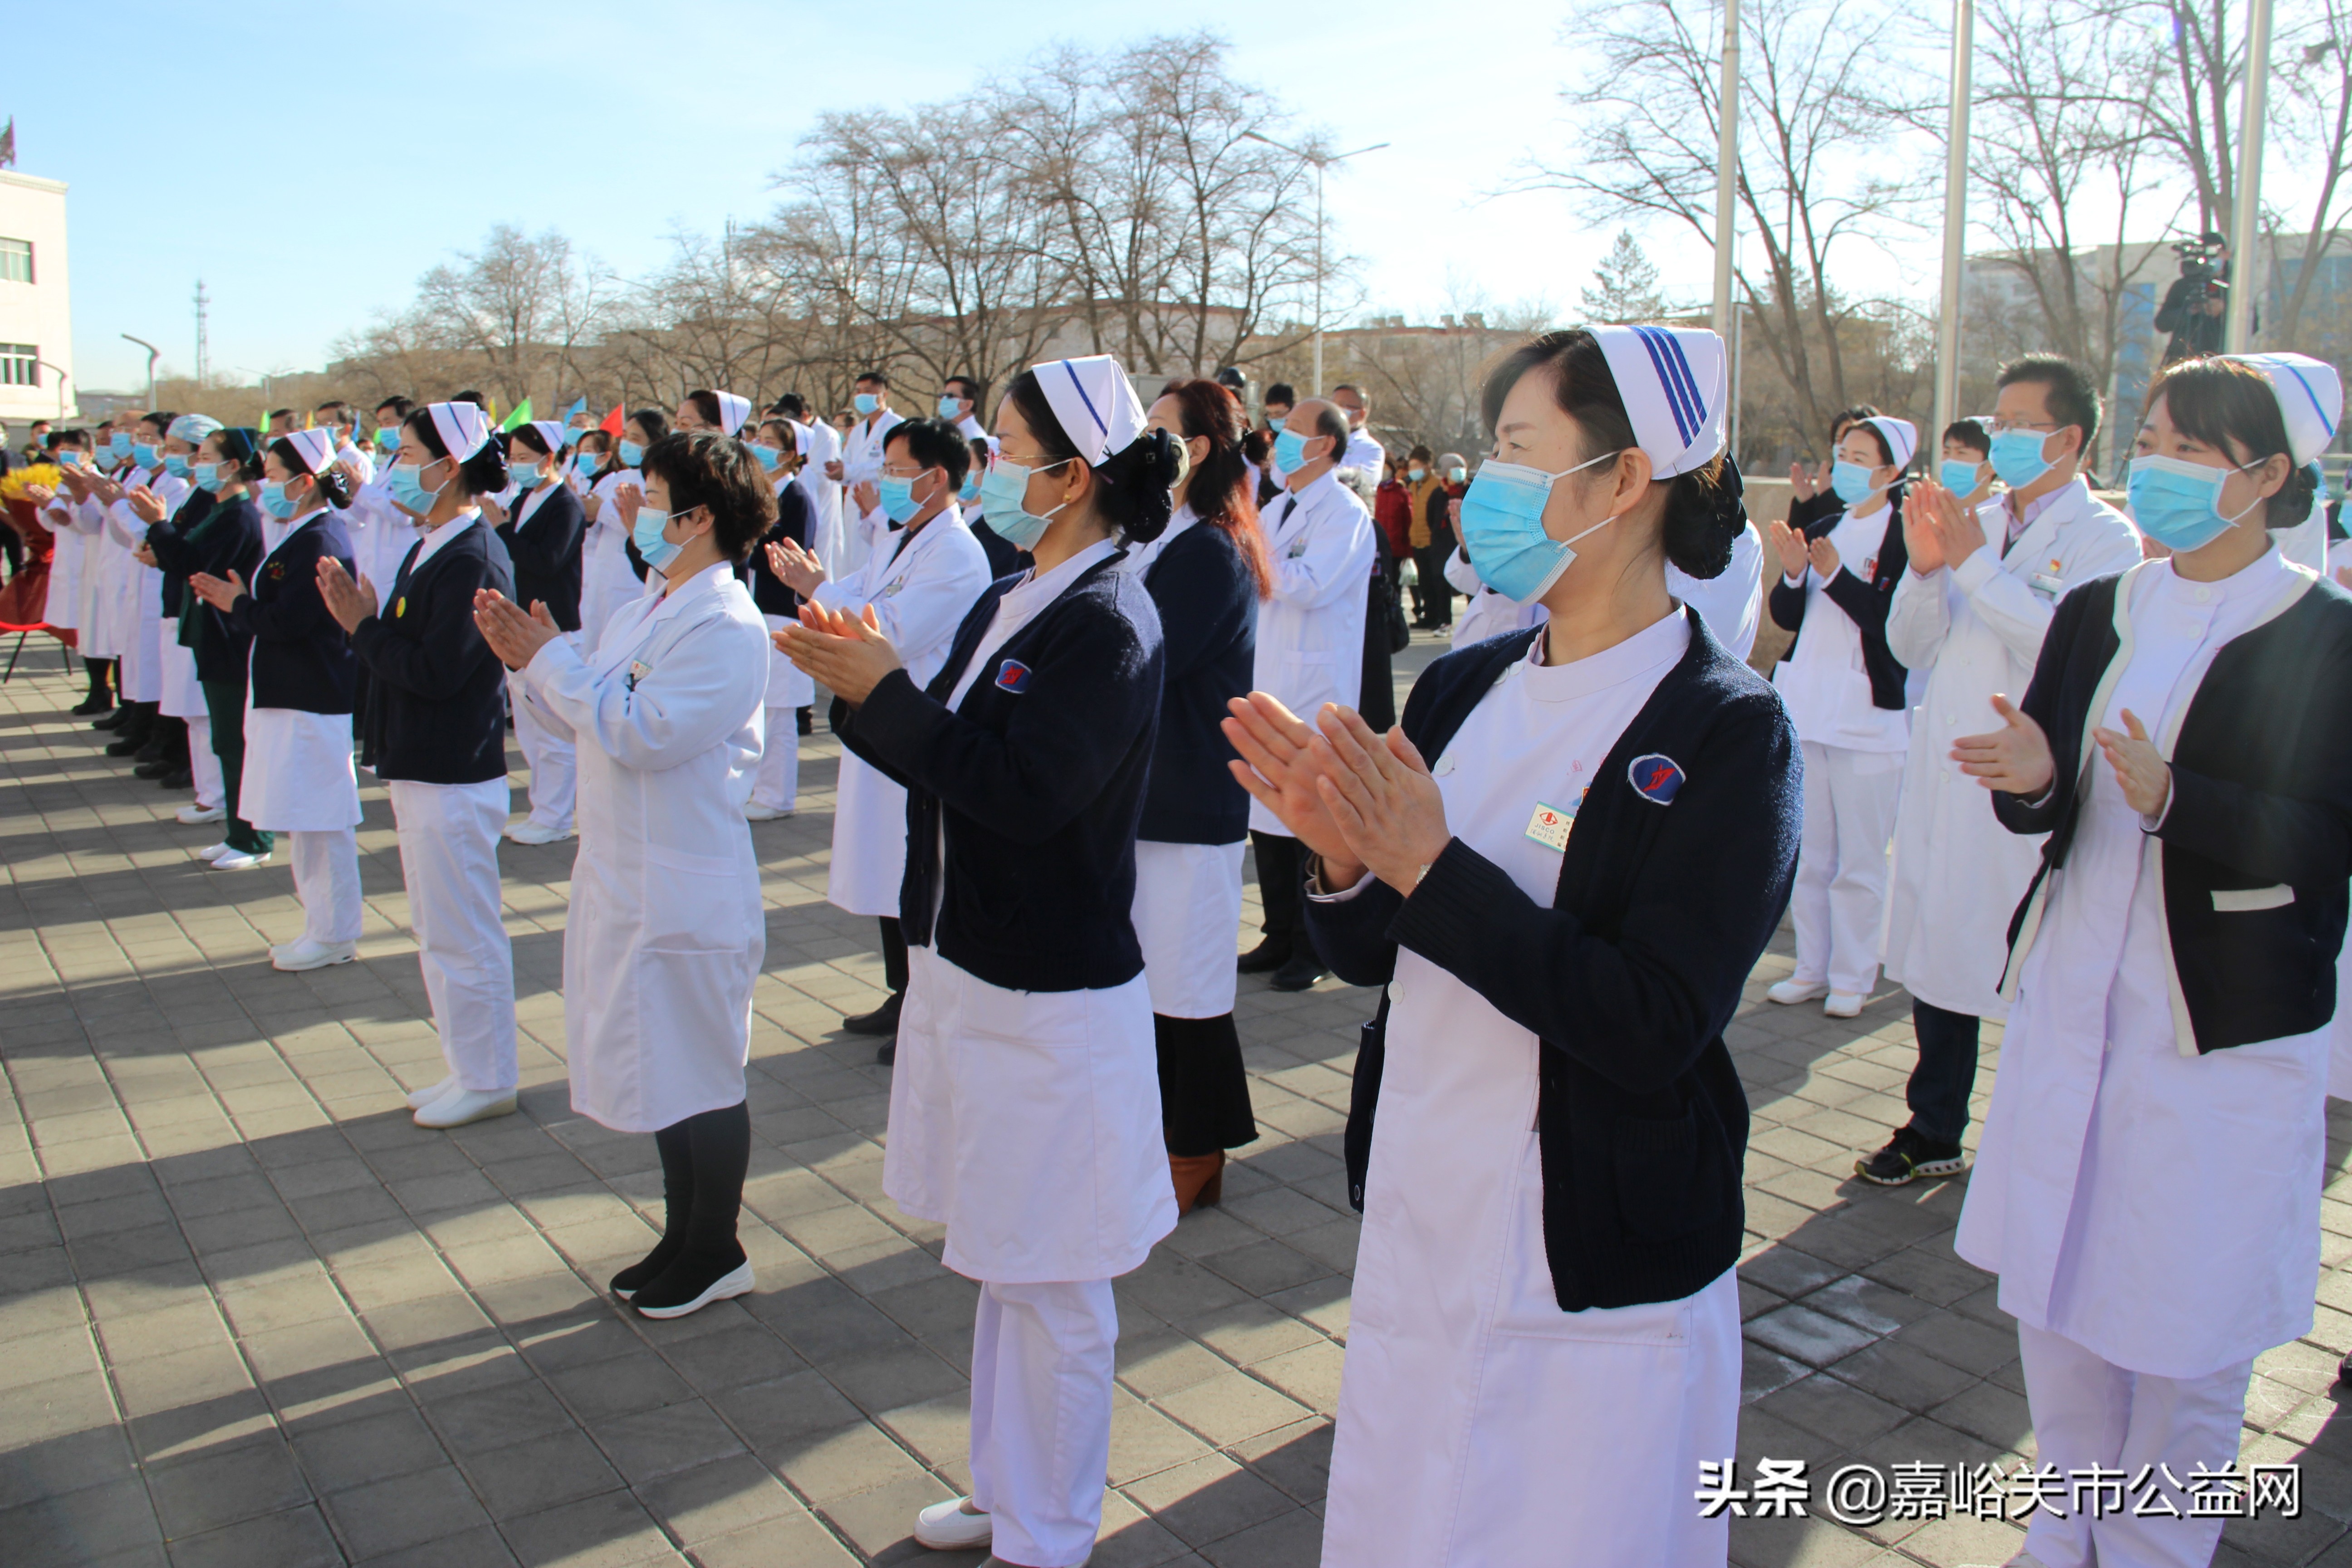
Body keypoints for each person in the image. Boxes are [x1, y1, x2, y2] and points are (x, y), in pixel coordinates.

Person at [1227, 323, 1797, 1566]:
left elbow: (1654, 1021)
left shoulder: (1729, 734)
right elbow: (1381, 950)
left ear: (1626, 481)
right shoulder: (1464, 685)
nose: (1489, 486)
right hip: (1426, 1213)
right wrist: (1340, 859)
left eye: (1520, 451)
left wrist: (1430, 867)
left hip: (1583, 1250)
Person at [1950, 351, 2352, 1568]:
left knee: (2187, 1317)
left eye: (2191, 450)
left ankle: (2159, 1547)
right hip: (2081, 999)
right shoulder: (2101, 609)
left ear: (2269, 476)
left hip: (2215, 1030)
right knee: (2062, 1290)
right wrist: (2034, 784)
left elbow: (2329, 835)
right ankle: (2064, 1524)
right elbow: (2056, 791)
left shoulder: (2323, 634)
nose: (2158, 467)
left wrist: (2185, 800)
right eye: (2156, 439)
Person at [779, 353, 1181, 1568]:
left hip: (1051, 994)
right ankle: (1007, 1491)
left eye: (1009, 448)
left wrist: (886, 692)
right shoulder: (1032, 593)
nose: (991, 462)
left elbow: (1024, 790)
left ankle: (1052, 1527)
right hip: (976, 966)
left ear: (1072, 476)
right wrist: (870, 683)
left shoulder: (1109, 620)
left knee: (1056, 1281)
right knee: (1006, 1258)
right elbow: (949, 746)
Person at [477, 429, 774, 1318]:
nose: (633, 510)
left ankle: (718, 1247)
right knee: (658, 1069)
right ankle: (683, 1235)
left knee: (702, 1074)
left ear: (698, 518)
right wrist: (535, 665)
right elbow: (588, 714)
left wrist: (549, 661)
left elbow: (642, 732)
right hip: (629, 876)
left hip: (687, 885)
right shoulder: (648, 606)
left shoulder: (726, 623)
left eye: (649, 496)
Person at [1865, 356, 2141, 1185]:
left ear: (2069, 439)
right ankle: (1934, 1125)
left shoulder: (2105, 540)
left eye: (2021, 424)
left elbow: (2065, 644)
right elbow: (1909, 647)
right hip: (1946, 769)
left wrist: (1973, 564)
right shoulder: (1972, 518)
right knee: (1940, 945)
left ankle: (2039, 1135)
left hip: (2031, 779)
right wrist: (1922, 569)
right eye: (1999, 420)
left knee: (2027, 959)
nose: (2001, 438)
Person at [320, 401, 523, 1129]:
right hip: (422, 765)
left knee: (463, 931)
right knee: (440, 931)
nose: (397, 469)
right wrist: (373, 623)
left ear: (451, 466)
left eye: (408, 456)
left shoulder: (473, 555)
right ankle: (468, 1066)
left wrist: (362, 627)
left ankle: (491, 1075)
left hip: (453, 771)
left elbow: (437, 672)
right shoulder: (434, 541)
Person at [767, 416, 991, 1055]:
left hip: (914, 721)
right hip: (878, 720)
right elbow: (860, 598)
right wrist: (815, 587)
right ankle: (903, 994)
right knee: (888, 868)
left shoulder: (954, 552)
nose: (886, 483)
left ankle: (926, 1009)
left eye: (896, 471)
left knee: (915, 868)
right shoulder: (899, 538)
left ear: (936, 477)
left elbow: (886, 628)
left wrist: (822, 596)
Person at [1131, 377, 1269, 1213]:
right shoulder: (1159, 538)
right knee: (1148, 980)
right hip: (1147, 798)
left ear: (1201, 449)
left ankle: (1198, 1147)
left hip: (1188, 803)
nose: (1143, 442)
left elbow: (1146, 655)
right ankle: (1159, 1135)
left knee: (1185, 985)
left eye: (1159, 430)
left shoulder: (1209, 551)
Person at [186, 430, 363, 971]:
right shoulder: (303, 531)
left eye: (273, 473)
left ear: (305, 482)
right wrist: (243, 601)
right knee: (305, 820)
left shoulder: (320, 539)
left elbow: (290, 622)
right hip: (293, 695)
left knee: (321, 820)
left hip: (312, 697)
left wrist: (238, 602)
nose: (264, 485)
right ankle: (322, 927)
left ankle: (335, 933)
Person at [1765, 413, 1916, 1017]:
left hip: (1868, 720)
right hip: (1810, 709)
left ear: (1891, 469)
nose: (1846, 465)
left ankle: (1854, 976)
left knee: (1860, 860)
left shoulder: (1904, 535)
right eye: (1843, 454)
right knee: (1813, 854)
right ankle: (1811, 966)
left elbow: (1894, 624)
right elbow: (1786, 615)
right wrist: (1798, 572)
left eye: (1861, 457)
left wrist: (1833, 576)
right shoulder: (1825, 525)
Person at [1239, 397, 1376, 993]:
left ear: (1325, 445)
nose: (1279, 438)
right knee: (1266, 817)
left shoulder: (1344, 514)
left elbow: (1308, 584)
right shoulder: (1276, 509)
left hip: (1314, 685)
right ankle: (1278, 932)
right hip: (1270, 676)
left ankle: (1313, 946)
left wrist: (1250, 551)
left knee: (1304, 820)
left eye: (1293, 430)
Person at [158, 428, 270, 869]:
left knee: (236, 739)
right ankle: (238, 833)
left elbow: (190, 563)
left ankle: (254, 837)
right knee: (225, 739)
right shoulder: (218, 509)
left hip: (230, 639)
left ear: (232, 466)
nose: (198, 465)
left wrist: (158, 525)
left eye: (207, 457)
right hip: (212, 636)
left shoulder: (240, 516)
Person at [485, 420, 585, 846]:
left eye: (526, 459)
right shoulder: (526, 496)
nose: (517, 466)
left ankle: (556, 816)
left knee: (553, 729)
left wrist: (503, 530)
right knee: (529, 729)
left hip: (554, 626)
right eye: (513, 458)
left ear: (550, 459)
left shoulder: (566, 504)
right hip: (521, 623)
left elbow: (547, 560)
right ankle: (543, 808)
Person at [127, 414, 226, 806]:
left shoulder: (221, 506)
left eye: (179, 451)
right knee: (191, 711)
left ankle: (214, 795)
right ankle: (206, 789)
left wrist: (158, 528)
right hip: (177, 609)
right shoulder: (195, 496)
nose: (170, 457)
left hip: (199, 616)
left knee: (203, 714)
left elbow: (194, 559)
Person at [747, 416, 817, 820]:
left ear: (790, 454)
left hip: (783, 611)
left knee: (779, 710)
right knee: (761, 706)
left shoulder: (797, 498)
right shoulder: (766, 495)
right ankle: (760, 789)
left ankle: (777, 796)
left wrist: (750, 545)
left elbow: (790, 554)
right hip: (759, 608)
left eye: (770, 442)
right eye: (759, 438)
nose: (760, 446)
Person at [582, 410, 667, 646]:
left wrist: (603, 511)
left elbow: (646, 528)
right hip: (601, 574)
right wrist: (589, 514)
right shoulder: (613, 478)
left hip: (631, 579)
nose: (627, 444)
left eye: (636, 439)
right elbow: (592, 531)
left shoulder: (658, 483)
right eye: (626, 436)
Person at [835, 371, 904, 579]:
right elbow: (848, 462)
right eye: (858, 392)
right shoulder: (857, 431)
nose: (862, 396)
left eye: (868, 391)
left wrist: (850, 471)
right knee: (851, 559)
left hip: (881, 501)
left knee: (875, 558)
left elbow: (887, 466)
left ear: (884, 394)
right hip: (854, 501)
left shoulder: (897, 426)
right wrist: (839, 472)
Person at [774, 392, 845, 580]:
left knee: (821, 555)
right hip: (804, 493)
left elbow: (822, 475)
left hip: (821, 501)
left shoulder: (826, 435)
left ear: (804, 416)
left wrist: (798, 470)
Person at [1401, 446, 1452, 629]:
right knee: (1424, 582)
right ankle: (1428, 615)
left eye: (1417, 465)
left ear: (1428, 465)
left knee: (1436, 580)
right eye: (1411, 465)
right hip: (1417, 539)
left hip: (1433, 540)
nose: (1413, 469)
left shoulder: (1438, 485)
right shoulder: (1412, 486)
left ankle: (1440, 616)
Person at [1937, 416, 1994, 508]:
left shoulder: (2006, 518)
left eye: (1961, 453)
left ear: (1992, 465)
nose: (1951, 460)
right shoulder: (1933, 515)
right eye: (1946, 452)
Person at [937, 374, 988, 442]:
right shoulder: (943, 433)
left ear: (968, 405)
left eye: (950, 396)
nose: (944, 400)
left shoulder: (976, 440)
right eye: (943, 396)